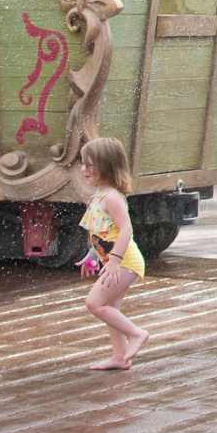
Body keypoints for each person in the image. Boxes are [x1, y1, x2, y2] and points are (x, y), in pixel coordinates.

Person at [75, 136, 150, 371]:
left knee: (94, 304)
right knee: (110, 309)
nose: (84, 169)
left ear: (107, 165)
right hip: (113, 260)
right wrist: (92, 255)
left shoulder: (113, 198)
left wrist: (115, 260)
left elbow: (126, 229)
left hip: (125, 260)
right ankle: (119, 357)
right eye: (83, 164)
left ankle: (136, 334)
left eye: (90, 165)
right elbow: (100, 231)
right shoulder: (98, 194)